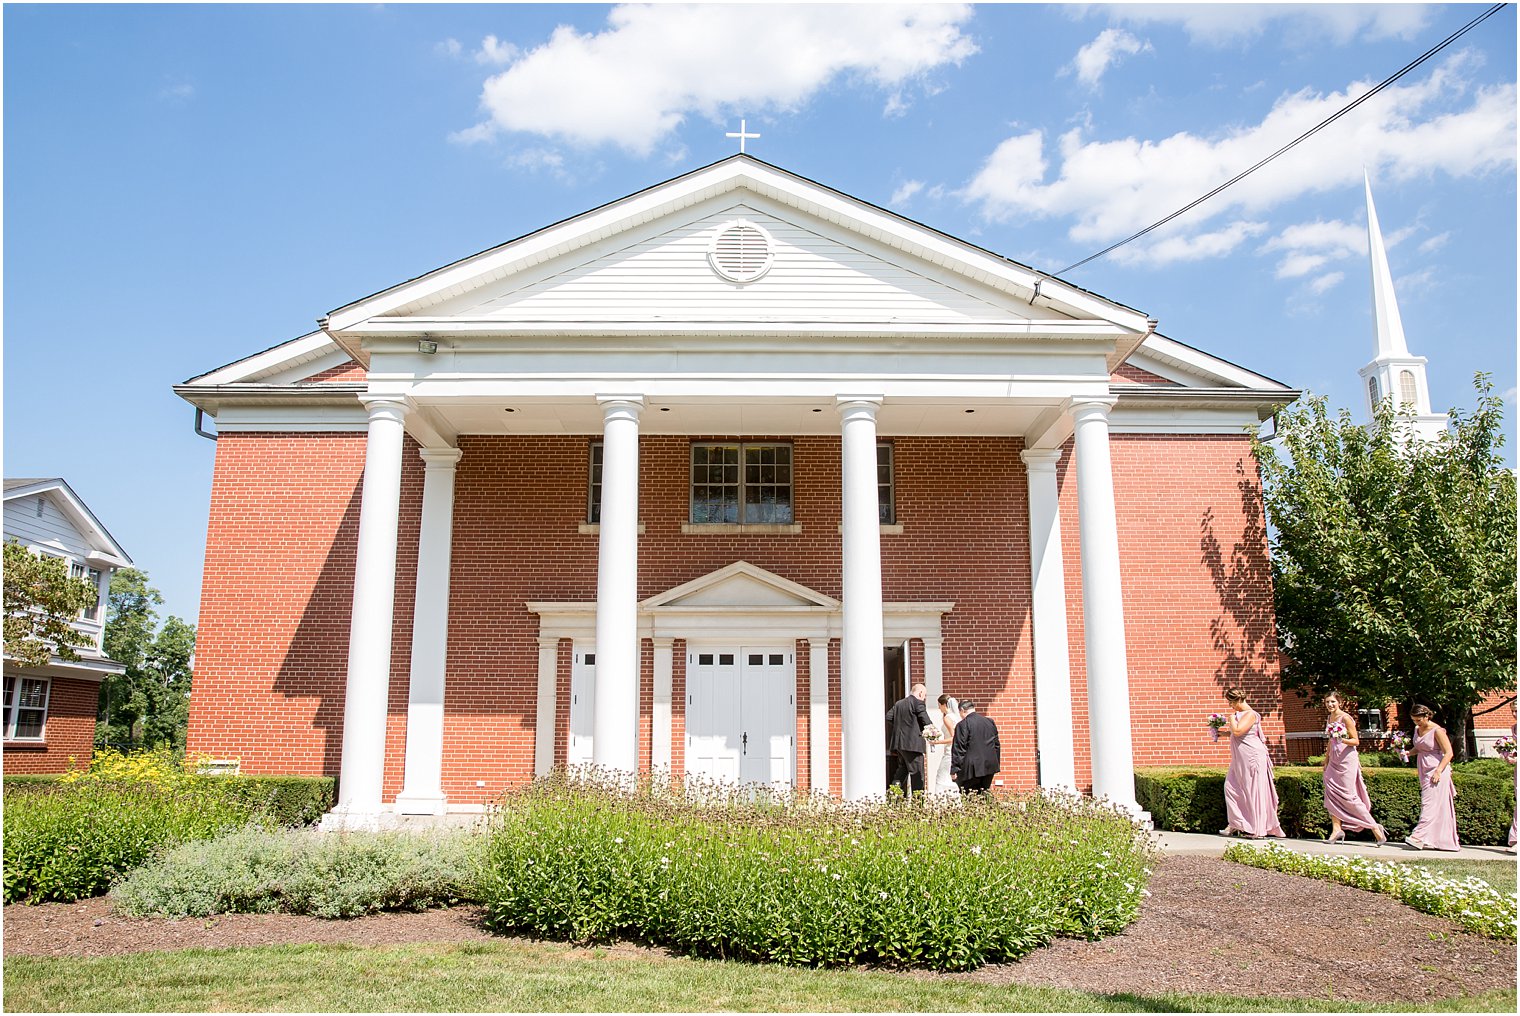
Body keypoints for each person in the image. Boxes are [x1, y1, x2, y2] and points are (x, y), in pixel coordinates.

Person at [1321, 692, 1388, 845]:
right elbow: (1331, 742)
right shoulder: (1329, 718)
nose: (1330, 705)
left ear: (1339, 702)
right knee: (1331, 794)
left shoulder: (1345, 718)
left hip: (1346, 760)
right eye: (1327, 702)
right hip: (1333, 760)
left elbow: (1356, 740)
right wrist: (1326, 760)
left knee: (1349, 796)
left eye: (1332, 702)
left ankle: (1375, 828)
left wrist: (1341, 738)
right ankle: (1336, 829)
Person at [1219, 687, 1284, 838]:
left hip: (1252, 756)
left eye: (1231, 702)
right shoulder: (1239, 715)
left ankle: (1258, 829)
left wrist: (1230, 719)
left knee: (1254, 790)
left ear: (1237, 700)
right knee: (1231, 787)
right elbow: (1236, 732)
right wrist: (1221, 733)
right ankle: (1238, 823)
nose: (1230, 706)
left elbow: (1238, 731)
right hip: (1239, 758)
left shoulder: (1249, 714)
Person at [1405, 705, 1460, 851]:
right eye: (1414, 720)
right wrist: (1408, 753)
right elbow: (1420, 747)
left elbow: (1449, 753)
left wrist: (1438, 771)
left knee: (1429, 803)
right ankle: (1434, 839)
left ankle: (1418, 836)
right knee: (1433, 803)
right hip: (1423, 768)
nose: (1417, 723)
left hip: (1437, 769)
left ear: (1426, 716)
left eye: (1418, 720)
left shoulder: (1438, 730)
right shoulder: (1418, 730)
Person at [885, 682, 932, 798]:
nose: (924, 698)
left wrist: (901, 729)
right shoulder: (918, 703)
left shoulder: (899, 703)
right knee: (917, 774)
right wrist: (932, 732)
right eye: (924, 695)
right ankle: (918, 802)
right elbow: (925, 720)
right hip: (913, 744)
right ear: (920, 693)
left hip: (900, 744)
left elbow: (889, 717)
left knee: (902, 771)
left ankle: (893, 796)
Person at [950, 698, 1000, 795]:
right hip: (989, 766)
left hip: (971, 768)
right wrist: (996, 762)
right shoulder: (989, 722)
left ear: (962, 710)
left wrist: (955, 768)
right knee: (984, 794)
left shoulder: (963, 724)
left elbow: (959, 748)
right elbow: (996, 745)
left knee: (970, 796)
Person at [926, 694, 960, 797]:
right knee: (950, 778)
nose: (939, 708)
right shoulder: (956, 717)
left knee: (941, 777)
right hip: (957, 752)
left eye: (939, 705)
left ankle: (942, 799)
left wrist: (936, 742)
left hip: (950, 752)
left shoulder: (947, 718)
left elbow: (954, 738)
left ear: (944, 705)